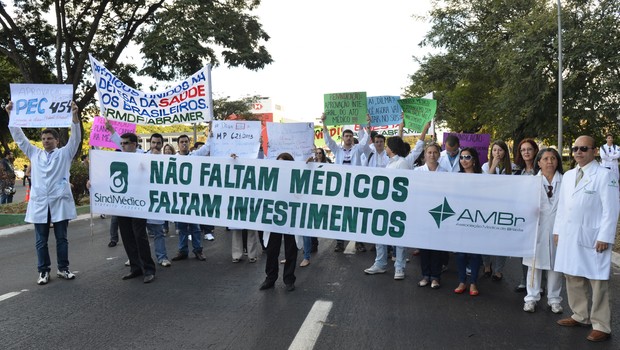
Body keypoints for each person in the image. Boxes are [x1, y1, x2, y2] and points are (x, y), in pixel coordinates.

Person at [6, 101, 80, 285]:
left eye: (50, 138)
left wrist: (74, 116)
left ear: (57, 141)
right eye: (44, 138)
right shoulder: (34, 153)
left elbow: (76, 139)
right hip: (40, 202)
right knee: (41, 240)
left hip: (59, 200)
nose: (46, 141)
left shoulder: (64, 153)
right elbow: (19, 137)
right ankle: (43, 271)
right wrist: (10, 114)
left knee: (62, 238)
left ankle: (63, 268)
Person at [554, 136, 619, 342]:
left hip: (593, 237)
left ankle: (601, 325)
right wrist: (557, 230)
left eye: (583, 148)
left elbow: (611, 209)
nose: (578, 152)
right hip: (569, 234)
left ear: (594, 151)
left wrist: (605, 236)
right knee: (572, 274)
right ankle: (580, 315)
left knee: (597, 280)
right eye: (575, 148)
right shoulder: (569, 175)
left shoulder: (604, 175)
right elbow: (562, 207)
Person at [522, 148, 564, 313]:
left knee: (556, 266)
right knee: (534, 266)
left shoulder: (565, 181)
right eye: (545, 159)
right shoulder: (532, 182)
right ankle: (531, 298)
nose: (549, 162)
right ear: (538, 162)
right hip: (536, 229)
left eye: (553, 158)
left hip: (557, 229)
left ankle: (554, 299)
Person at [364, 136, 411, 280]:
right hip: (385, 204)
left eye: (387, 145)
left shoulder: (401, 162)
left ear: (392, 147)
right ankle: (380, 263)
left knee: (398, 237)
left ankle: (399, 267)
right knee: (380, 234)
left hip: (397, 205)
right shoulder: (390, 163)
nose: (385, 147)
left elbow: (403, 184)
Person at [321, 113, 369, 252]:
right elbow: (328, 140)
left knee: (356, 214)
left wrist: (367, 125)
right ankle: (339, 242)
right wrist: (324, 123)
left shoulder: (358, 149)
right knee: (340, 215)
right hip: (341, 188)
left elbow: (366, 140)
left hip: (355, 187)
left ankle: (359, 242)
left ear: (352, 138)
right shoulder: (337, 150)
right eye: (346, 136)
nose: (348, 138)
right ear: (342, 138)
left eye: (350, 136)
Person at [115, 133, 157, 283]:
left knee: (139, 236)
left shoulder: (144, 158)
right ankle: (135, 267)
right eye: (121, 143)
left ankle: (149, 268)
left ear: (134, 144)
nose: (123, 146)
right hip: (122, 203)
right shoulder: (117, 158)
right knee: (126, 236)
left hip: (139, 203)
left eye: (126, 143)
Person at [259, 152, 299, 292]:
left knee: (290, 250)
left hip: (291, 218)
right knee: (271, 250)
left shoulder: (296, 178)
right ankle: (270, 278)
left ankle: (289, 279)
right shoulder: (271, 178)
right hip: (274, 218)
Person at [415, 143, 448, 288]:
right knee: (424, 247)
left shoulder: (445, 172)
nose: (432, 155)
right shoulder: (417, 171)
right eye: (429, 152)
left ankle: (435, 277)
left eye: (435, 152)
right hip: (422, 213)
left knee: (436, 247)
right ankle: (425, 275)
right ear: (425, 155)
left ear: (439, 155)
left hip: (438, 213)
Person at [171, 134, 206, 261]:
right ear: (178, 144)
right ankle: (183, 251)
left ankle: (198, 250)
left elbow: (207, 147)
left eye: (186, 141)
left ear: (189, 143)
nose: (184, 144)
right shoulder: (172, 159)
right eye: (181, 142)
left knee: (195, 227)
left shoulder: (194, 156)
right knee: (181, 227)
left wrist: (212, 133)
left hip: (193, 197)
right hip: (180, 198)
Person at [453, 147, 483, 296]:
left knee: (475, 254)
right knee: (460, 254)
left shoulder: (482, 177)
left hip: (477, 219)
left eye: (467, 157)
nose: (464, 160)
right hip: (460, 219)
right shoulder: (456, 176)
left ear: (474, 160)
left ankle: (473, 282)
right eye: (462, 157)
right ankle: (462, 281)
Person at [481, 140, 512, 281]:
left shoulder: (512, 168)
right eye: (494, 150)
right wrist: (493, 166)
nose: (497, 153)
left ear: (505, 152)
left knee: (502, 242)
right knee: (485, 239)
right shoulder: (484, 166)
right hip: (487, 208)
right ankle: (487, 265)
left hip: (505, 208)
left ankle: (498, 270)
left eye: (500, 150)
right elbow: (485, 184)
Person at [513, 139, 540, 293]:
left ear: (535, 151)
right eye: (523, 150)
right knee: (524, 251)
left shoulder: (540, 171)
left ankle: (539, 284)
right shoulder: (518, 172)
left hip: (539, 216)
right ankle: (525, 281)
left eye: (529, 149)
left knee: (539, 252)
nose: (526, 152)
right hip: (522, 217)